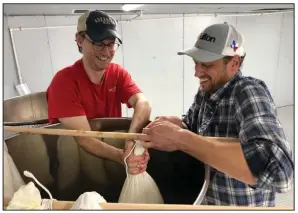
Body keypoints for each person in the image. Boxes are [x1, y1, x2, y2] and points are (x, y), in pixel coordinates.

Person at [139, 22, 294, 206]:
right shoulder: (207, 92)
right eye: (196, 63)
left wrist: (180, 139)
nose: (197, 72)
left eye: (206, 64)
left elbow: (279, 172)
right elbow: (196, 130)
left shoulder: (247, 92)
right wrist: (180, 125)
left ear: (234, 64)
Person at [46, 10, 151, 175]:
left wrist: (132, 139)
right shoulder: (64, 81)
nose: (106, 52)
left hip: (109, 155)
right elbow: (84, 139)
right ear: (80, 40)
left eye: (111, 44)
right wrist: (121, 156)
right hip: (74, 159)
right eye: (99, 44)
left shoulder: (117, 74)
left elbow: (143, 104)